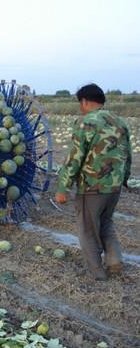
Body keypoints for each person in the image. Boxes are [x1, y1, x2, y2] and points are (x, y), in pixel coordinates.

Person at [55, 83, 132, 280]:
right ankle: (114, 261)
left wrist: (63, 187)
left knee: (88, 230)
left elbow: (74, 159)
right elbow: (127, 154)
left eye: (80, 103)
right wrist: (124, 179)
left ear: (85, 101)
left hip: (92, 187)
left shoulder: (86, 122)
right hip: (114, 188)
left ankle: (97, 273)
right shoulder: (120, 122)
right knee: (106, 222)